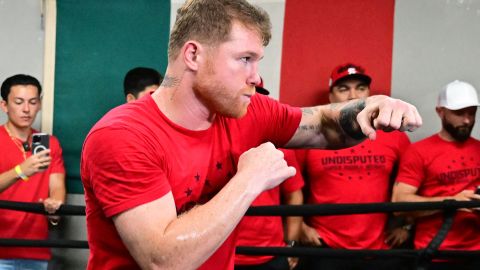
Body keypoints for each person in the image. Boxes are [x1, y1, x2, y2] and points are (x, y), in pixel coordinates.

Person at [80, 1, 422, 269]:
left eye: (257, 61)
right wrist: (249, 180)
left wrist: (371, 106)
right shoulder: (123, 136)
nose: (256, 77)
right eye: (244, 59)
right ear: (194, 54)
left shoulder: (246, 110)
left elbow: (321, 125)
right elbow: (164, 260)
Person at [297, 63, 412, 270]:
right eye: (344, 89)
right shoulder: (310, 135)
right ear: (331, 97)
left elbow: (412, 182)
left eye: (360, 88)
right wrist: (299, 227)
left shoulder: (393, 136)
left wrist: (407, 225)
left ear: (369, 93)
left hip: (379, 250)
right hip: (325, 248)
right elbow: (289, 188)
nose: (353, 95)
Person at [392, 80, 480, 269]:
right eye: (459, 113)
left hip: (476, 253)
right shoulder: (419, 152)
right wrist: (453, 202)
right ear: (440, 112)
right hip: (435, 253)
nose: (467, 120)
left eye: (472, 113)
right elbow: (399, 203)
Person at [0, 74, 66, 270]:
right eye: (19, 102)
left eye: (32, 102)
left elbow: (57, 187)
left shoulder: (47, 143)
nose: (26, 109)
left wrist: (55, 206)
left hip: (36, 250)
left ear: (39, 104)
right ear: (4, 105)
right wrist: (21, 170)